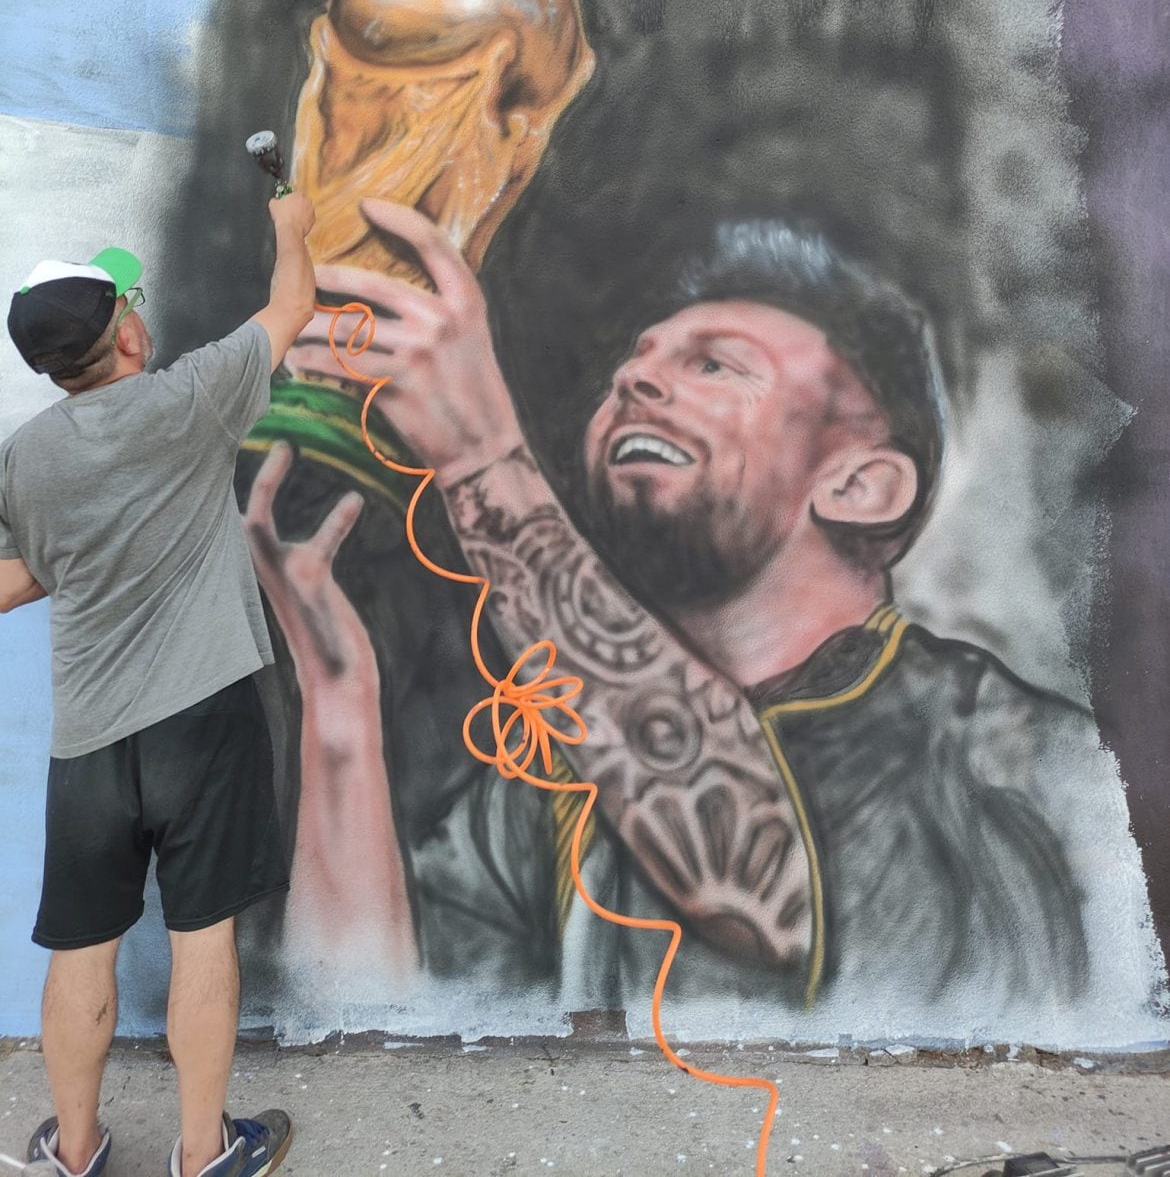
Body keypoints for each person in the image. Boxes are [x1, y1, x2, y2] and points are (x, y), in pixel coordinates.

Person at [252, 205, 1099, 1013]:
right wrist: (338, 711)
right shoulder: (546, 778)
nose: (634, 376)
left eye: (714, 364)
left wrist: (480, 455)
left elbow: (768, 895)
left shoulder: (1013, 756)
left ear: (859, 484)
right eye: (640, 357)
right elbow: (376, 1022)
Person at [0, 193, 317, 1177]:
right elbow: (292, 305)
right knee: (201, 937)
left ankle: (77, 1148)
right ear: (129, 333)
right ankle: (202, 1151)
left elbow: (23, 576)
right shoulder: (194, 398)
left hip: (90, 735)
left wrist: (92, 558)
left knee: (81, 944)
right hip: (203, 718)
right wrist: (293, 225)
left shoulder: (27, 457)